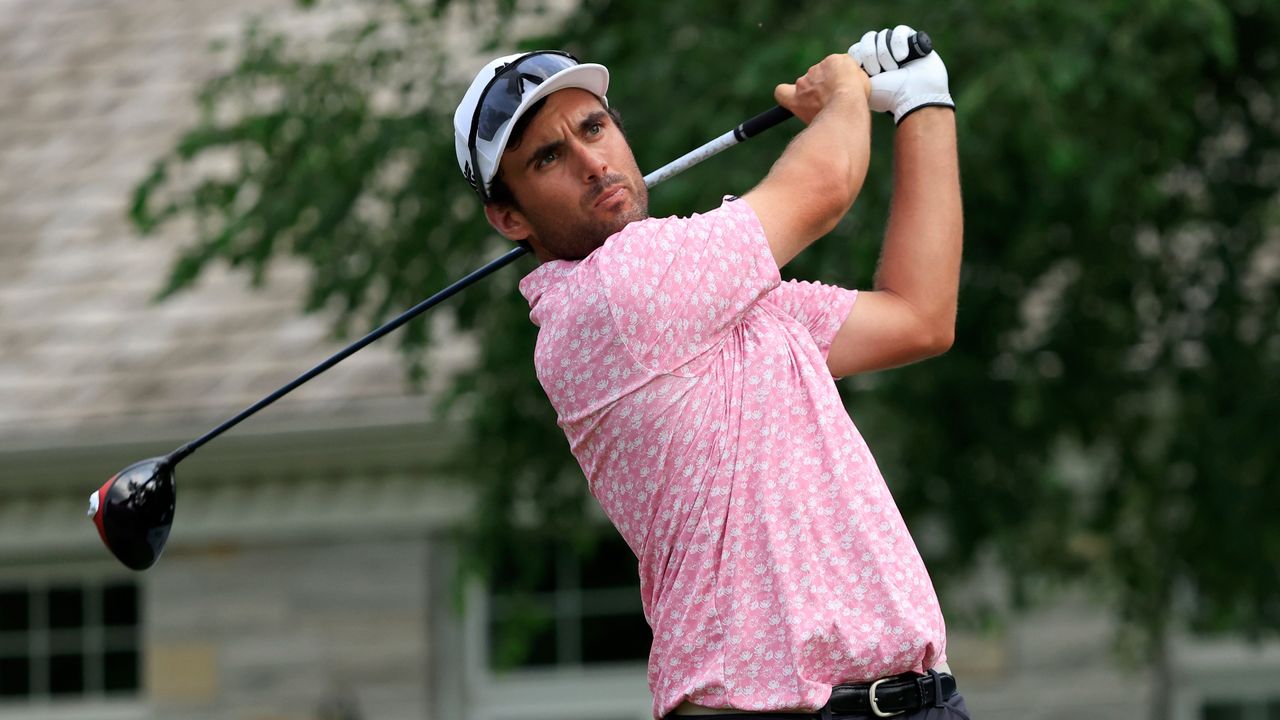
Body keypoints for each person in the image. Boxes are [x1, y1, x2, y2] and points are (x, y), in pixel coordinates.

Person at [453, 24, 965, 720]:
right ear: (509, 217)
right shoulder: (616, 294)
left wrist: (924, 102)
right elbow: (824, 187)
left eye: (594, 128)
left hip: (918, 702)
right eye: (549, 157)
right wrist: (845, 86)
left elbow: (919, 317)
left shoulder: (723, 306)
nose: (591, 161)